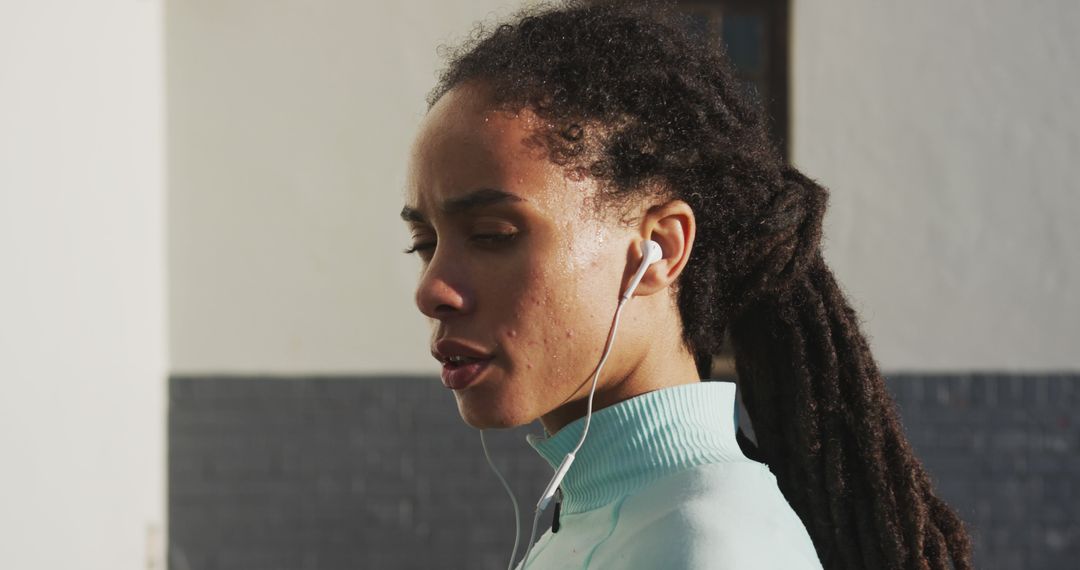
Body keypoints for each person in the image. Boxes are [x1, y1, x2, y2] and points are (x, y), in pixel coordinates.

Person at [400, 2, 974, 568]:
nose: (433, 290)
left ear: (660, 250)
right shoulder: (607, 516)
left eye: (493, 234)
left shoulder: (711, 547)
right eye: (424, 244)